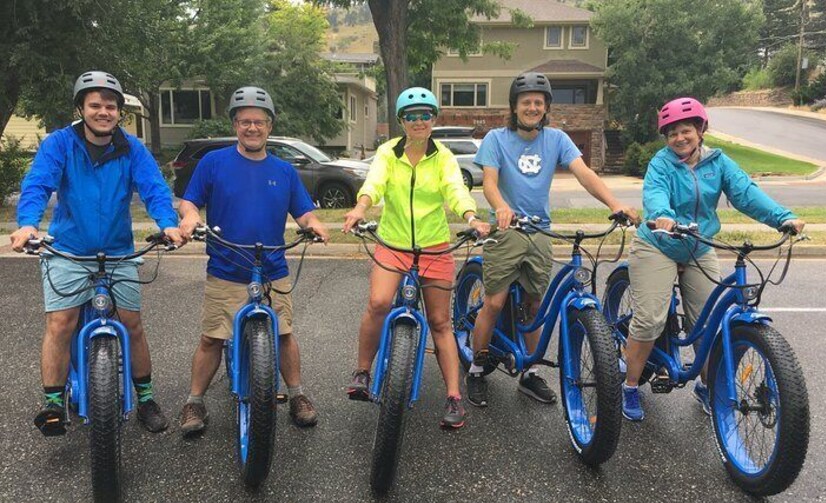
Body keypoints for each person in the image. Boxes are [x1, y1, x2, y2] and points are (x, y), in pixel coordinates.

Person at [11, 70, 186, 435]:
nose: (103, 111)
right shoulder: (60, 144)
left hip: (118, 251)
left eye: (110, 106)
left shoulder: (132, 148)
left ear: (119, 112)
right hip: (69, 250)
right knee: (61, 323)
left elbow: (154, 188)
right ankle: (54, 403)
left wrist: (168, 222)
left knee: (133, 325)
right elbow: (38, 185)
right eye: (95, 105)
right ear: (81, 108)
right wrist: (28, 223)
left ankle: (147, 398)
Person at [620, 97, 806, 422]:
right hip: (659, 243)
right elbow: (655, 195)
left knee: (707, 324)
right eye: (672, 133)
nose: (680, 138)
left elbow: (746, 194)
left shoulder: (718, 163)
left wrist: (783, 218)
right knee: (649, 320)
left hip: (698, 245)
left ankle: (709, 388)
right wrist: (662, 217)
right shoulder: (661, 164)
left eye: (686, 130)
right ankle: (630, 385)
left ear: (701, 130)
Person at [466, 71, 639, 408]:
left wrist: (615, 203)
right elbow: (489, 182)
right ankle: (476, 366)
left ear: (545, 108)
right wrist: (501, 208)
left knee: (535, 305)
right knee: (495, 303)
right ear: (514, 107)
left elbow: (585, 173)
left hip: (540, 231)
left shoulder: (557, 139)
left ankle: (529, 372)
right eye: (526, 102)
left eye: (538, 103)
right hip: (508, 231)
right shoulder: (496, 139)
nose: (532, 107)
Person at [177, 86, 329, 435]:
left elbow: (304, 212)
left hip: (273, 267)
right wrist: (188, 218)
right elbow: (189, 202)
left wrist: (314, 224)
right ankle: (195, 400)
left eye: (259, 122)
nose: (252, 128)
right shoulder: (213, 163)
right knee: (212, 338)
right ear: (235, 125)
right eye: (244, 121)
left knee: (285, 333)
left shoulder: (284, 170)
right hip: (226, 267)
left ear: (269, 126)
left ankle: (297, 394)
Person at [342, 87, 491, 429]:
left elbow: (455, 189)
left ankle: (453, 396)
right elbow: (375, 184)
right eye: (411, 116)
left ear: (434, 118)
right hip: (393, 244)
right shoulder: (387, 153)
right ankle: (363, 371)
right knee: (379, 303)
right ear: (401, 122)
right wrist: (360, 208)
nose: (419, 121)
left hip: (434, 246)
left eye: (425, 114)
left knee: (440, 322)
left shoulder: (443, 157)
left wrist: (470, 217)